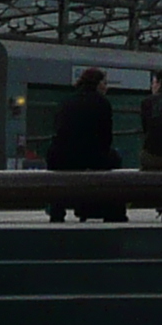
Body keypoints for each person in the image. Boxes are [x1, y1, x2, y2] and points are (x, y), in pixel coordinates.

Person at [45, 67, 121, 223]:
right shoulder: (102, 103)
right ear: (98, 84)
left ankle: (56, 211)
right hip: (90, 156)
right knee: (115, 160)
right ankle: (112, 211)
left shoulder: (66, 101)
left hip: (60, 156)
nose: (107, 87)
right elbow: (106, 138)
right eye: (104, 83)